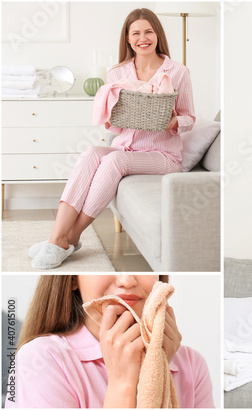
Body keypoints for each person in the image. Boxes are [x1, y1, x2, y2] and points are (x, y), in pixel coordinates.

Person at [29, 8, 195, 269]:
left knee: (114, 160)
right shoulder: (117, 73)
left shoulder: (177, 72)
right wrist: (112, 117)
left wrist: (174, 121)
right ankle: (55, 237)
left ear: (158, 34)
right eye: (136, 33)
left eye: (149, 31)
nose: (143, 38)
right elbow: (116, 129)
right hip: (127, 149)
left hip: (163, 157)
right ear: (128, 39)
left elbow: (190, 118)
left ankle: (70, 237)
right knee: (92, 153)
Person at [5, 275, 214, 408]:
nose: (127, 280)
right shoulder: (42, 360)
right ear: (72, 279)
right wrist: (123, 383)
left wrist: (155, 366)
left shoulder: (191, 364)